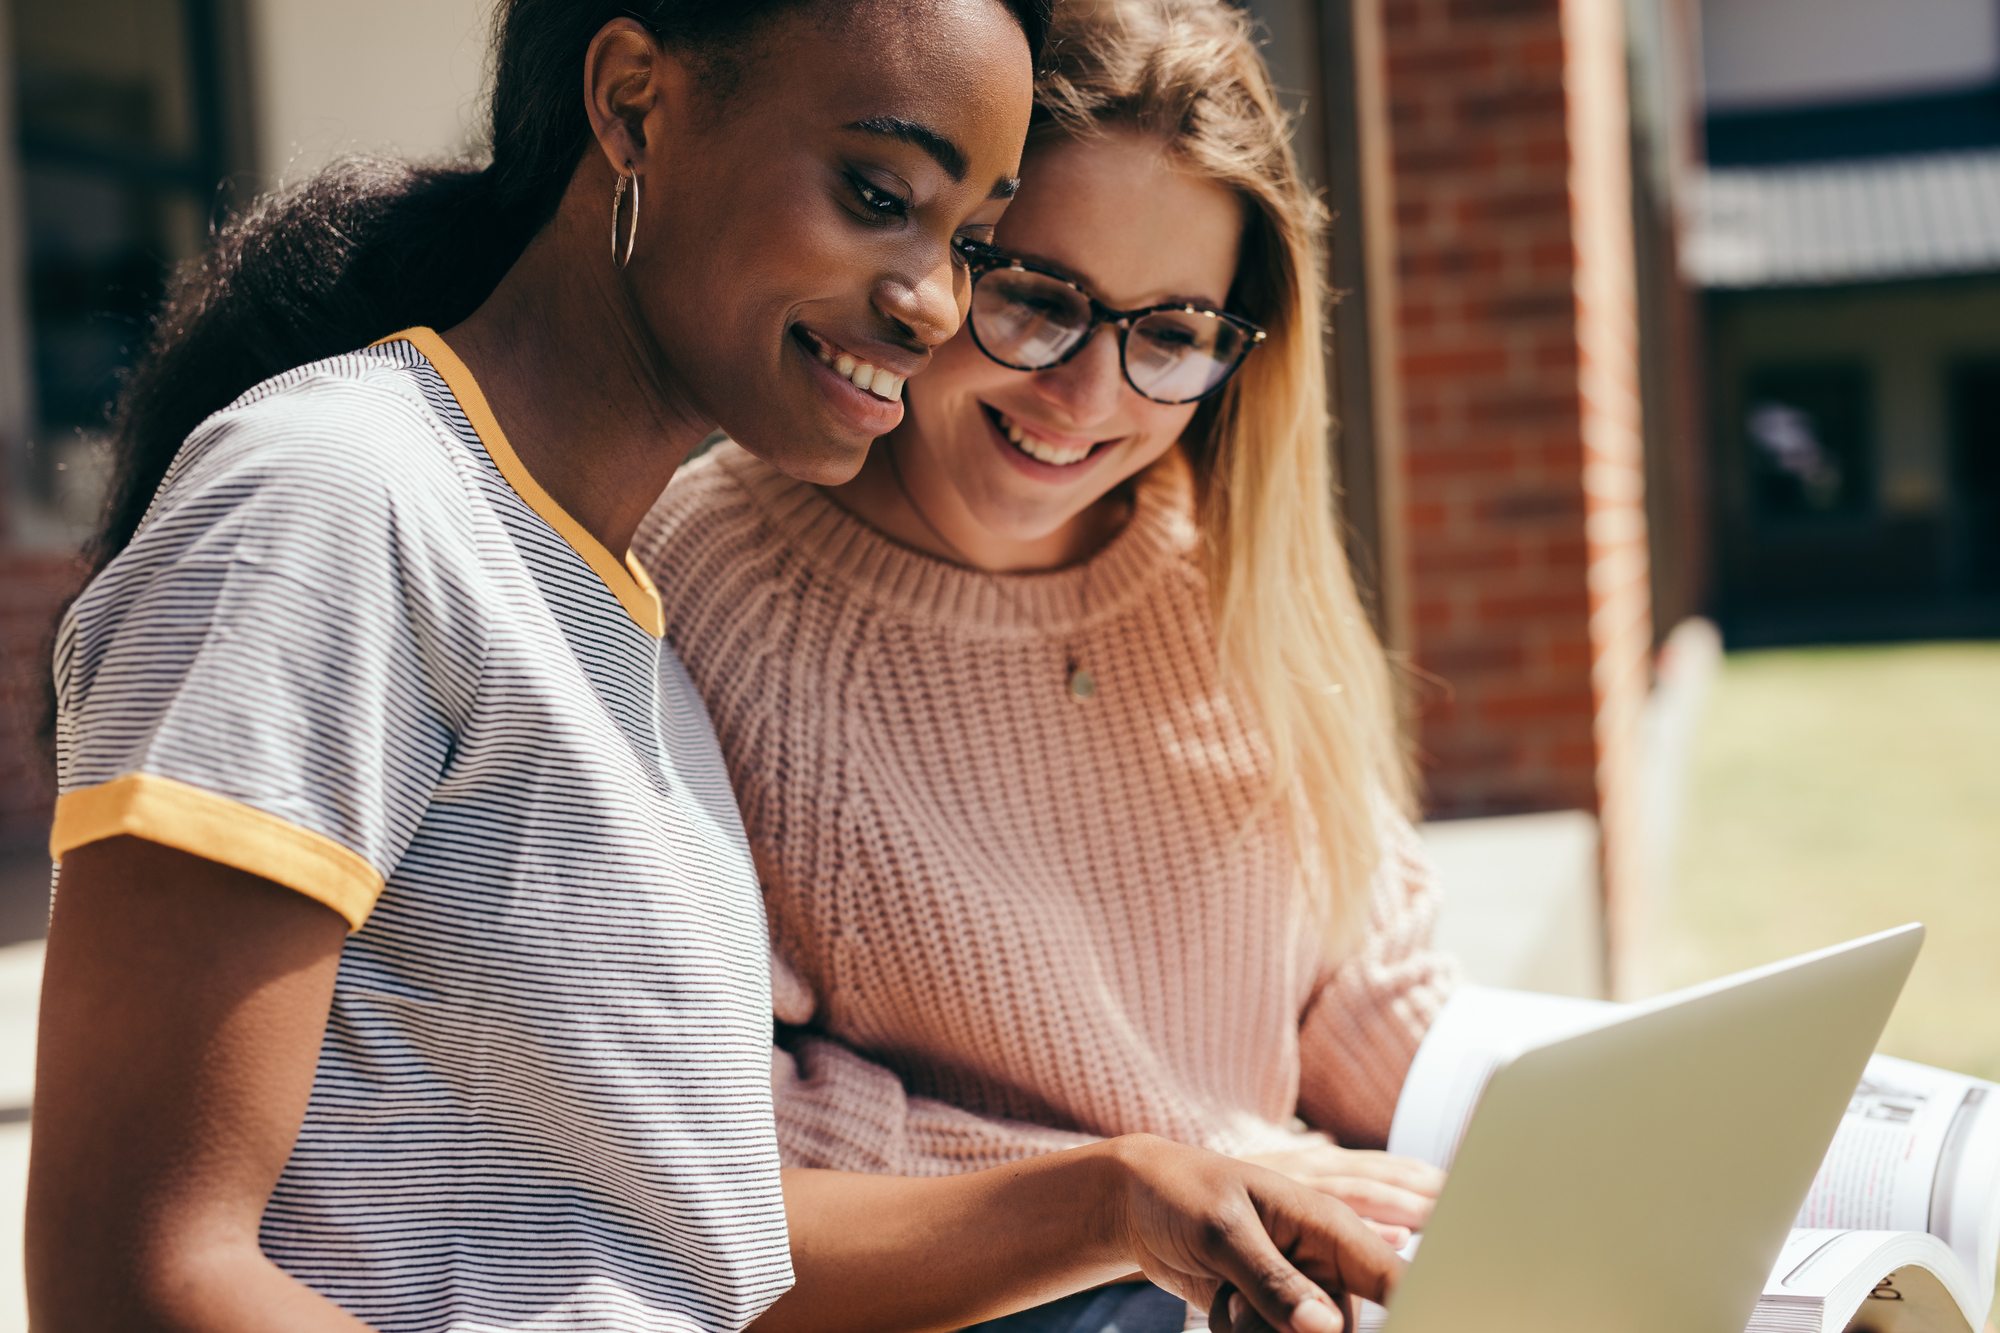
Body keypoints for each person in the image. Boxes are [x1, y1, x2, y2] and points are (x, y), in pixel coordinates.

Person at [25, 3, 1404, 1331]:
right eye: (878, 194)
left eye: (973, 240)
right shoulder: (335, 502)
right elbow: (135, 1281)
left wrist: (1121, 1197)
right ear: (635, 105)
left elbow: (693, 1261)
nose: (933, 303)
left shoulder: (621, 622)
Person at [639, 1, 1459, 1327]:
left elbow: (1362, 983)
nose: (1087, 401)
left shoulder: (1224, 556)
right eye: (1032, 299)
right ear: (941, 258)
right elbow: (711, 1135)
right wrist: (1159, 1188)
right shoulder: (718, 592)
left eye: (1174, 331)